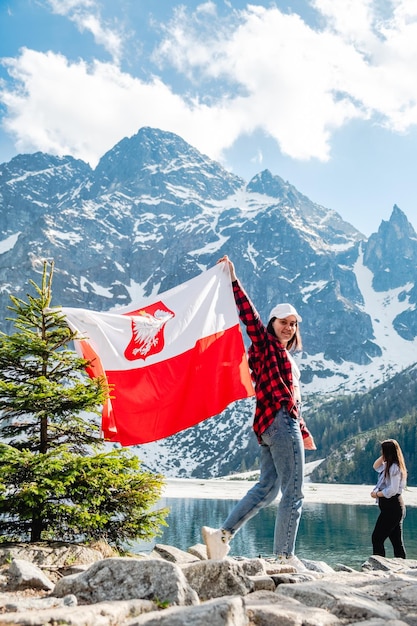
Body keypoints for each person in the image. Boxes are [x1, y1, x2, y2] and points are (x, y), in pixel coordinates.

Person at [202, 255, 316, 571]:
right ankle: (284, 556)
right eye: (284, 322)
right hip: (280, 423)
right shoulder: (266, 344)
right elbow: (248, 316)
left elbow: (290, 397)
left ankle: (222, 535)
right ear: (272, 324)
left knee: (267, 489)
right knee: (294, 491)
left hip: (269, 426)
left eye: (293, 325)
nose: (289, 328)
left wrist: (301, 429)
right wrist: (234, 281)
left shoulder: (281, 355)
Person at [371, 439, 407, 559]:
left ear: (388, 452)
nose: (381, 453)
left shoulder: (394, 468)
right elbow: (375, 466)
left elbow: (392, 490)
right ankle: (401, 566)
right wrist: (384, 456)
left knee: (377, 538)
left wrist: (377, 494)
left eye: (383, 451)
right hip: (391, 508)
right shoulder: (388, 465)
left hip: (393, 508)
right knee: (396, 542)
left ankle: (378, 565)